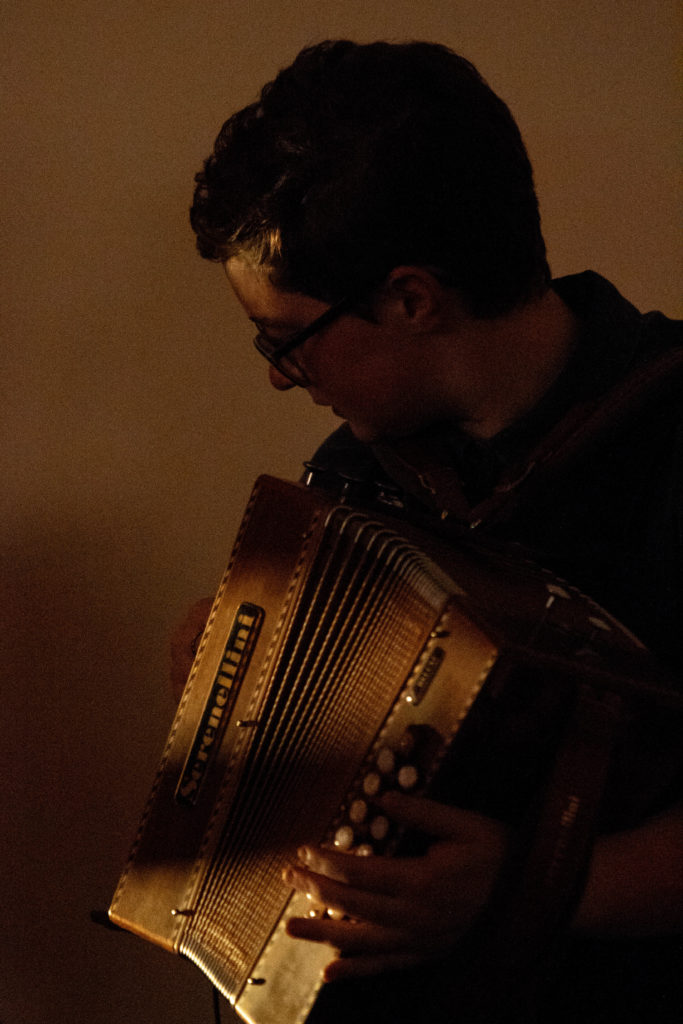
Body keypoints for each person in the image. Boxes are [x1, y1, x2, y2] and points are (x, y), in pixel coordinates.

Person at [186, 40, 683, 1023]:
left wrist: (535, 890)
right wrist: (228, 685)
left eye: (284, 341)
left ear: (412, 299)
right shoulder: (354, 475)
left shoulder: (667, 441)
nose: (280, 377)